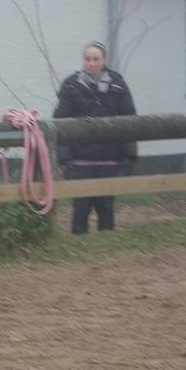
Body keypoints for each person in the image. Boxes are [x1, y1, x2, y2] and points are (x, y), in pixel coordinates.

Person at [54, 41, 137, 235]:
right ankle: (78, 247)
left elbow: (131, 121)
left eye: (96, 59)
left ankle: (107, 247)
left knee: (106, 207)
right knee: (80, 208)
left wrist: (129, 155)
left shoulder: (118, 84)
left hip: (110, 157)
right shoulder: (71, 85)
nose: (91, 63)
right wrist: (64, 159)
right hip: (80, 159)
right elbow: (60, 123)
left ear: (104, 60)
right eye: (87, 59)